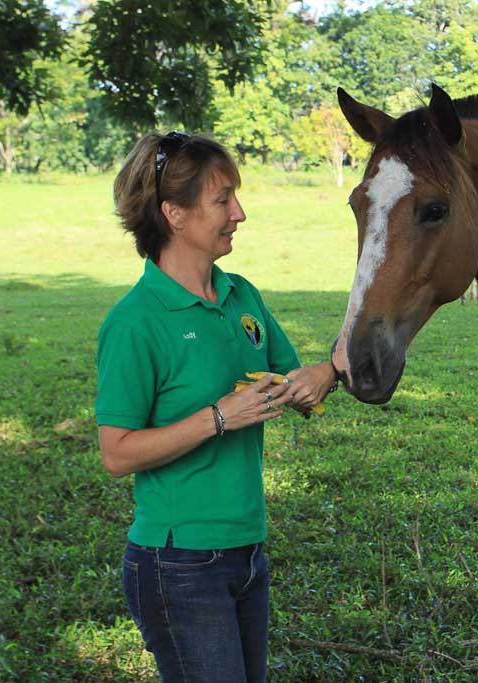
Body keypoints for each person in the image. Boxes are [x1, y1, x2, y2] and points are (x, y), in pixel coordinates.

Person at [95, 131, 337, 682]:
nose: (240, 213)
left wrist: (325, 376)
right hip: (178, 561)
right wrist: (220, 417)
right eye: (222, 199)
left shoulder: (241, 294)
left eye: (236, 197)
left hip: (247, 548)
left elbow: (289, 381)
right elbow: (117, 453)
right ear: (174, 213)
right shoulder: (136, 322)